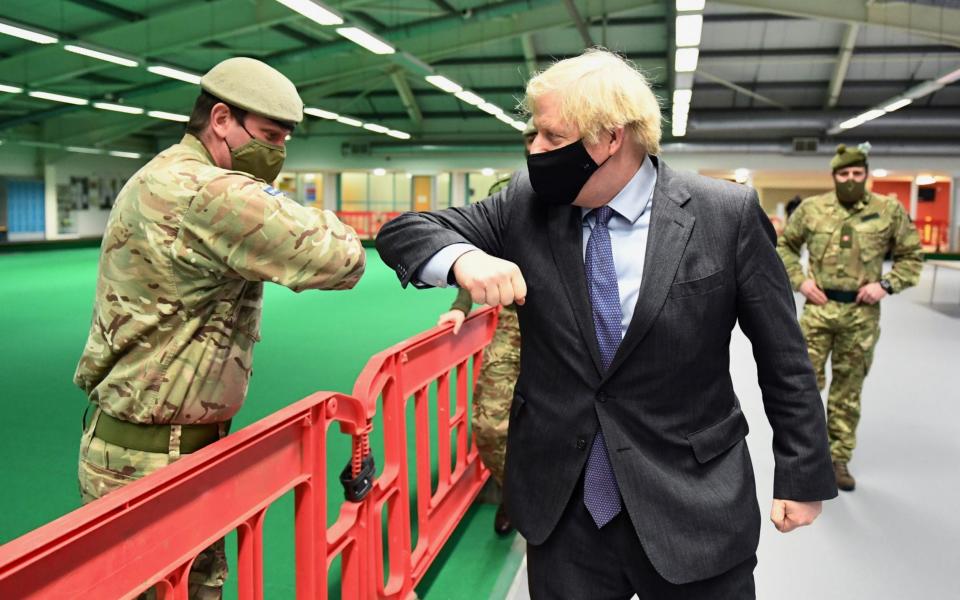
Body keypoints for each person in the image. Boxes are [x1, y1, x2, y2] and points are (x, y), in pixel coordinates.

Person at [377, 49, 835, 599]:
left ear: (609, 138)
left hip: (692, 502)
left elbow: (783, 356)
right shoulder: (524, 205)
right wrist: (462, 259)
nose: (535, 149)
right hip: (565, 509)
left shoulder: (724, 214)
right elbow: (405, 231)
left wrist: (802, 471)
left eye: (550, 136)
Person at [73, 57, 365, 599]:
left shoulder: (159, 172)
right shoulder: (207, 191)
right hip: (157, 461)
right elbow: (342, 258)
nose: (277, 153)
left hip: (142, 447)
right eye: (270, 136)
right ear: (221, 119)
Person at [777, 143, 922, 491]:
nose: (851, 179)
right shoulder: (812, 210)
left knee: (847, 390)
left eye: (858, 173)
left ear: (866, 175)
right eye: (844, 174)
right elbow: (785, 246)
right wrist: (800, 281)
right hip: (818, 311)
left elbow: (911, 255)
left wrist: (886, 285)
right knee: (803, 387)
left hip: (861, 315)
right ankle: (804, 458)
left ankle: (837, 459)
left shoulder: (888, 210)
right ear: (834, 176)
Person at [435, 119, 537, 536]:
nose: (540, 148)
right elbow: (475, 256)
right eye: (533, 139)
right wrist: (461, 306)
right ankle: (514, 493)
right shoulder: (507, 195)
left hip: (572, 328)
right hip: (515, 323)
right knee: (492, 426)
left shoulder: (589, 193)